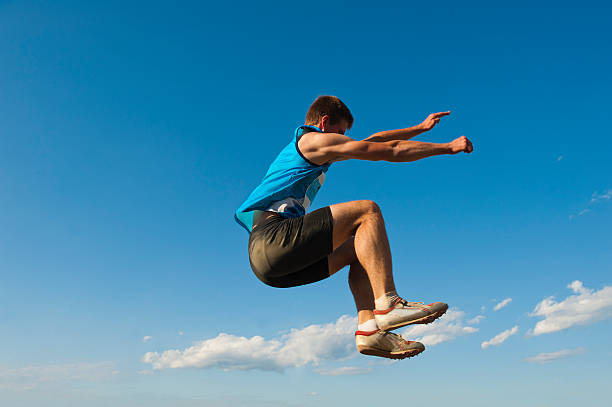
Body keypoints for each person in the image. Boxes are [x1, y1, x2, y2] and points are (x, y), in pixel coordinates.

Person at [234, 96, 473, 359]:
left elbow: (375, 140)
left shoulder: (312, 148)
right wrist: (447, 147)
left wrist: (419, 128)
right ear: (324, 123)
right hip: (273, 239)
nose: (344, 139)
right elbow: (391, 149)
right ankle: (388, 303)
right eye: (341, 133)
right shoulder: (312, 141)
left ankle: (369, 330)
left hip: (273, 269)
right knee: (367, 211)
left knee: (361, 249)